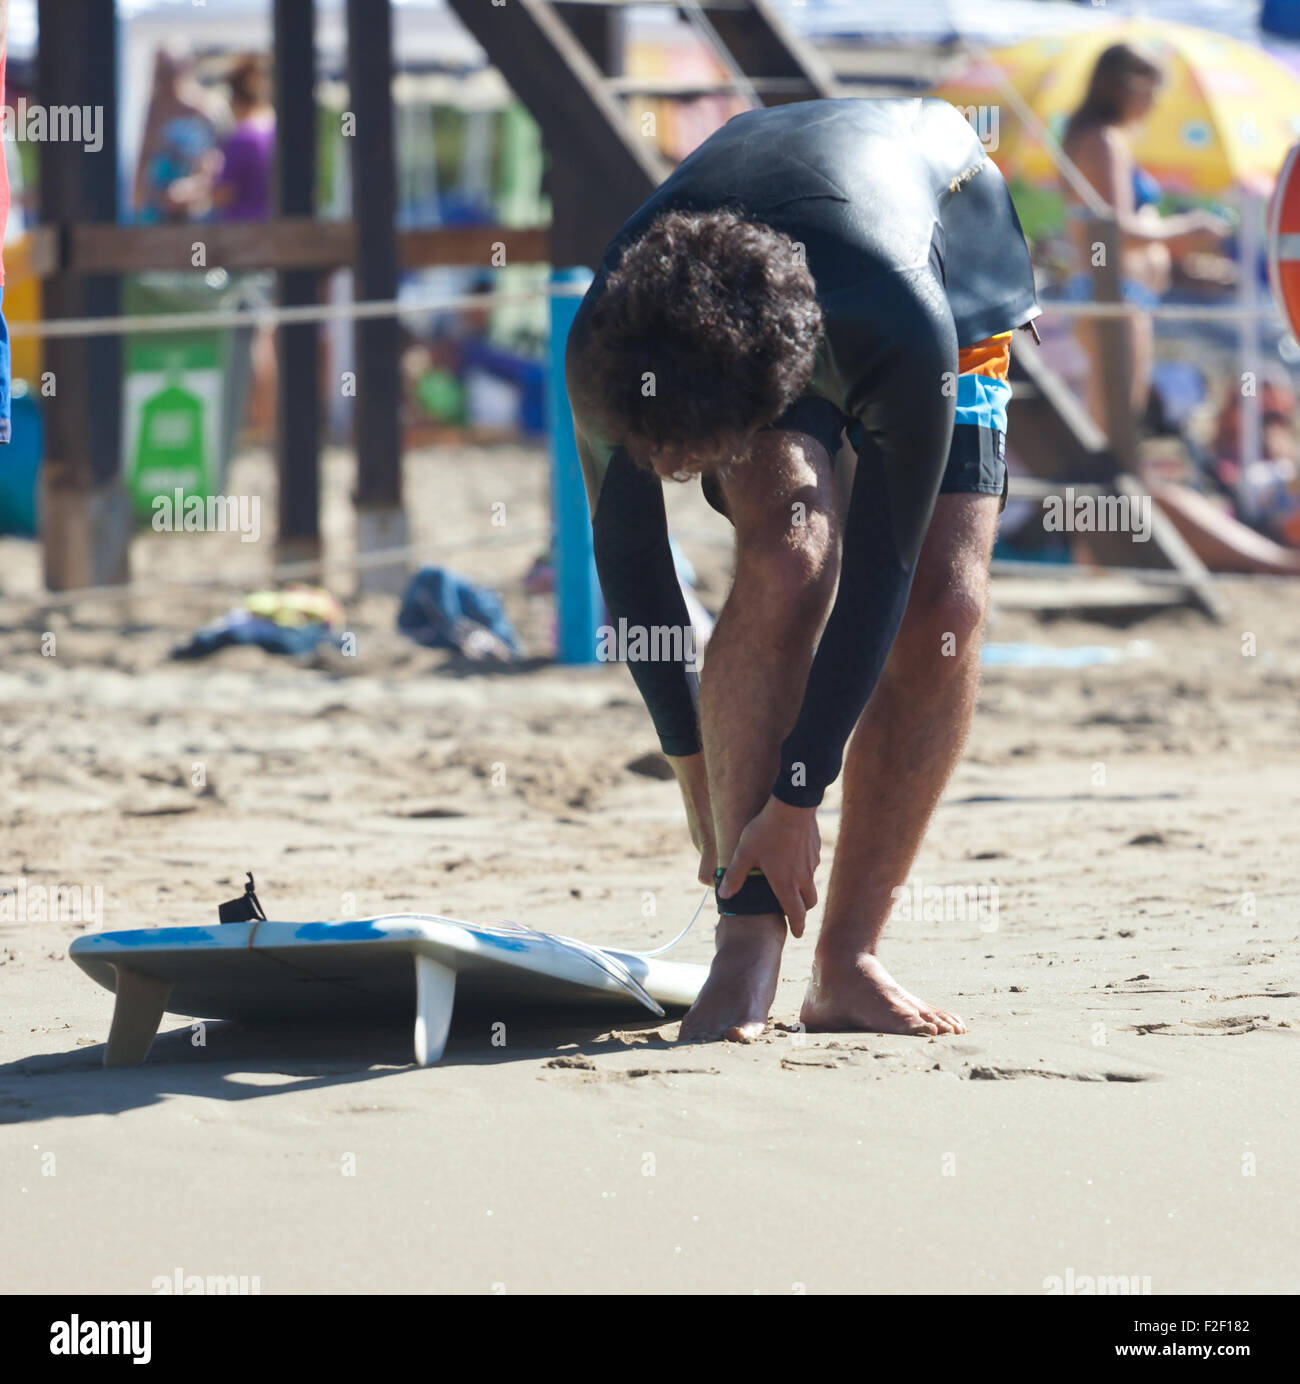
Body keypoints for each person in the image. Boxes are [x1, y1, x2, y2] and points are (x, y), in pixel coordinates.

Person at [566, 98, 1041, 1040]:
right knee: (785, 556)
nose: (671, 475)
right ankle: (744, 947)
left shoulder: (902, 323)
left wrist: (796, 796)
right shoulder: (608, 343)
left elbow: (884, 573)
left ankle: (847, 962)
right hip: (727, 279)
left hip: (940, 243)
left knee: (944, 609)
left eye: (693, 457)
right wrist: (693, 767)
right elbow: (631, 561)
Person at [1060, 43, 1228, 428]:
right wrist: (1188, 230)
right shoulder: (1103, 141)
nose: (1154, 103)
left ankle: (1106, 490)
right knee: (1113, 424)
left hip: (1118, 295)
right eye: (1150, 91)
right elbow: (1113, 230)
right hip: (1111, 294)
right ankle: (1103, 492)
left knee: (1114, 419)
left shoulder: (1097, 137)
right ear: (1125, 87)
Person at [133, 47, 220, 224]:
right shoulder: (152, 109)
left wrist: (192, 188)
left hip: (192, 213)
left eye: (168, 70)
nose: (163, 78)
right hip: (153, 212)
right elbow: (143, 157)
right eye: (160, 71)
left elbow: (215, 163)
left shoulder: (204, 109)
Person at [212, 56, 276, 222]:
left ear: (234, 98)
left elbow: (223, 195)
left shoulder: (242, 139)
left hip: (245, 233)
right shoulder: (274, 132)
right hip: (275, 228)